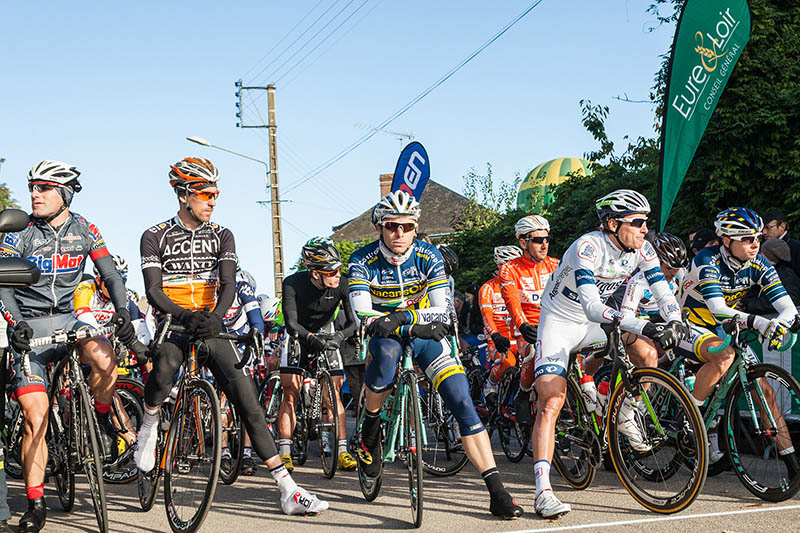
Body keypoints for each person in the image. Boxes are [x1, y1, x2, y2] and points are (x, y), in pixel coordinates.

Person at [134, 157, 327, 515]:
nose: (212, 201)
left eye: (216, 194)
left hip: (210, 324)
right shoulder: (154, 236)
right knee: (164, 366)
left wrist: (217, 317)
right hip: (175, 324)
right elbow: (154, 289)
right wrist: (181, 314)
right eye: (206, 194)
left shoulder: (222, 234)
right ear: (183, 194)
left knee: (247, 399)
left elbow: (228, 283)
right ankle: (148, 426)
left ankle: (287, 489)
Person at [349, 190, 523, 519]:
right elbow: (363, 312)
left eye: (407, 226)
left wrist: (402, 318)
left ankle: (497, 491)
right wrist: (402, 321)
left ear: (416, 228)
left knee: (461, 401)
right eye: (391, 226)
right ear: (379, 227)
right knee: (385, 360)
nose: (399, 233)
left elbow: (442, 309)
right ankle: (370, 429)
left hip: (422, 333)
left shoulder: (429, 256)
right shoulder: (362, 259)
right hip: (387, 336)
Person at [0, 160, 139, 532]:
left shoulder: (85, 228)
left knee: (104, 355)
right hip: (29, 328)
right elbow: (3, 285)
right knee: (35, 416)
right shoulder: (19, 233)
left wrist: (123, 310)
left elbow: (109, 273)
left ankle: (104, 411)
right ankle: (34, 502)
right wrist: (16, 325)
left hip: (68, 318)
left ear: (64, 194)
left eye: (43, 187)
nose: (34, 193)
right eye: (32, 186)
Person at [530, 189, 686, 518]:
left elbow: (661, 290)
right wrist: (644, 325)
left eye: (647, 222)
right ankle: (543, 490)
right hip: (560, 322)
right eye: (639, 222)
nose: (646, 229)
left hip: (596, 323)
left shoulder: (642, 249)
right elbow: (591, 305)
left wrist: (674, 319)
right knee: (551, 402)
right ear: (613, 224)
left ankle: (621, 410)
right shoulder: (587, 247)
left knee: (645, 353)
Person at [677, 208, 800, 475]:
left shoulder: (759, 263)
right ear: (726, 241)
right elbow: (719, 309)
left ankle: (792, 463)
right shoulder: (706, 260)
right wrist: (759, 322)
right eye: (745, 238)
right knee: (723, 357)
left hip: (728, 326)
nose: (755, 243)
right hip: (691, 323)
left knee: (765, 393)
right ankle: (690, 417)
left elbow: (788, 308)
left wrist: (781, 324)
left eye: (756, 236)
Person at [277, 236, 358, 472]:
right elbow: (291, 324)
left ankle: (342, 451)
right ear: (314, 273)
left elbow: (353, 323)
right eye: (331, 271)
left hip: (326, 331)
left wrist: (339, 338)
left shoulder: (342, 284)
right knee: (290, 394)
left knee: (333, 393)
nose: (337, 274)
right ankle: (285, 452)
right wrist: (311, 340)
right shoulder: (292, 283)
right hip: (299, 335)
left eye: (338, 269)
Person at [584, 232, 688, 377]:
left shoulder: (680, 275)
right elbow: (626, 318)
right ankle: (592, 366)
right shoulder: (638, 282)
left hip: (658, 321)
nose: (674, 272)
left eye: (679, 267)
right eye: (670, 268)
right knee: (648, 354)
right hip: (626, 318)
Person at [498, 215, 559, 426]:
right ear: (523, 242)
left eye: (547, 239)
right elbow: (512, 302)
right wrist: (523, 325)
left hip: (555, 326)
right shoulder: (509, 269)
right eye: (537, 240)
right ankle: (523, 394)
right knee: (533, 350)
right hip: (526, 328)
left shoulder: (557, 265)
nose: (544, 245)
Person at [220, 267, 265, 476]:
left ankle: (246, 453)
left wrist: (257, 331)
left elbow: (255, 314)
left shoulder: (241, 286)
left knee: (248, 401)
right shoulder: (206, 284)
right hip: (217, 339)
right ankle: (223, 452)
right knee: (220, 402)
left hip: (239, 340)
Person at [479, 245, 523, 403]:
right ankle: (490, 384)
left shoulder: (520, 286)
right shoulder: (488, 288)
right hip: (498, 338)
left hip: (519, 336)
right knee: (508, 362)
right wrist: (495, 336)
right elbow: (486, 316)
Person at [741, 238, 800, 311]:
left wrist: (749, 305)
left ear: (767, 256)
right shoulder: (762, 271)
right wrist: (743, 303)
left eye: (760, 252)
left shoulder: (786, 276)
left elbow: (791, 302)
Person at [762, 208, 800, 279]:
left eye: (768, 227)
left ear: (782, 226)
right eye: (762, 228)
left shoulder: (797, 248)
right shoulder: (763, 247)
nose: (764, 232)